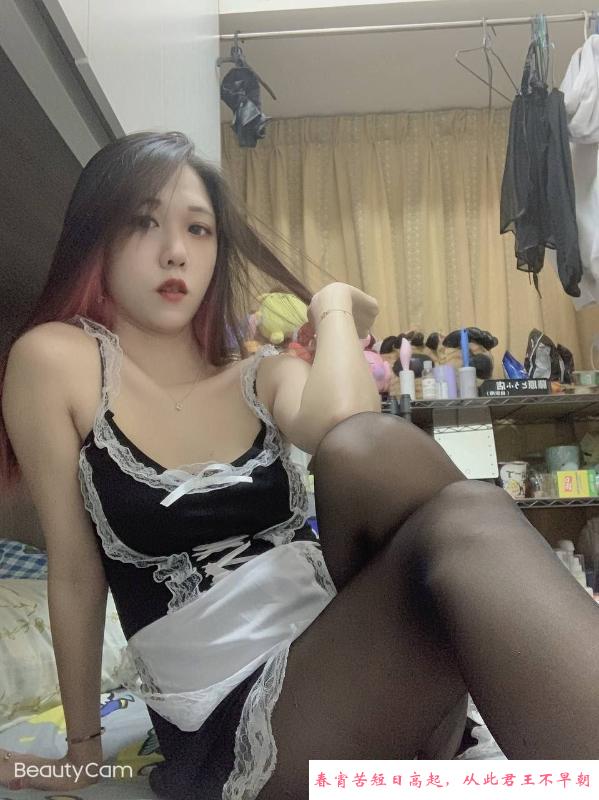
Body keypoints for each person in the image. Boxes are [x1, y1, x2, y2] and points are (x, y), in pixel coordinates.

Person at [0, 131, 597, 799]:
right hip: (237, 724)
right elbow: (75, 572)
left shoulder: (261, 374)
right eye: (143, 222)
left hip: (353, 663)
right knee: (464, 513)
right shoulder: (56, 359)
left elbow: (348, 427)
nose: (175, 251)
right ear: (97, 235)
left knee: (386, 466)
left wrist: (333, 304)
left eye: (198, 229)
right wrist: (82, 754)